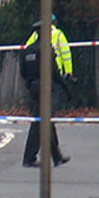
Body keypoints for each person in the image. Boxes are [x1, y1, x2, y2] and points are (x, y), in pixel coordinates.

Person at [20, 17, 71, 167]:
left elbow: (23, 72)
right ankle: (29, 158)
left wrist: (30, 86)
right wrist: (67, 89)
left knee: (44, 122)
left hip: (34, 90)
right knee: (40, 124)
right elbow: (54, 72)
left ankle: (57, 157)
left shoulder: (28, 50)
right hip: (47, 89)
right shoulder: (46, 50)